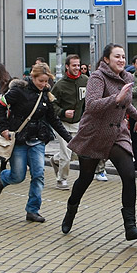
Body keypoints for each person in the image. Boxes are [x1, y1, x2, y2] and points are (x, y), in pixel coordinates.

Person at [60, 43, 137, 241]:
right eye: (117, 56)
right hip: (94, 134)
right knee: (85, 178)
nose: (121, 60)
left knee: (128, 175)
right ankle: (71, 210)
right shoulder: (97, 77)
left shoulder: (127, 77)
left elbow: (126, 104)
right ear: (106, 60)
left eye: (123, 57)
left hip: (118, 133)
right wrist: (115, 99)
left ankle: (130, 226)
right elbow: (91, 105)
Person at [0, 63, 72, 223]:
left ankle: (32, 210)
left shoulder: (45, 95)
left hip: (38, 139)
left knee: (38, 175)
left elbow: (53, 119)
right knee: (18, 176)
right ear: (33, 77)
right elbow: (0, 104)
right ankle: (4, 178)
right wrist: (3, 128)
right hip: (19, 139)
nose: (44, 84)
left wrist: (70, 139)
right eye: (41, 81)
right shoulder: (18, 91)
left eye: (46, 81)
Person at [50, 54, 88, 190]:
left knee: (75, 154)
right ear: (67, 67)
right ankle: (61, 180)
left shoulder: (85, 80)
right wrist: (62, 112)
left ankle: (55, 160)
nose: (77, 68)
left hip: (78, 123)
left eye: (78, 65)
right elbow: (51, 103)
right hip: (62, 124)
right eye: (74, 65)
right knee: (66, 154)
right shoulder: (60, 85)